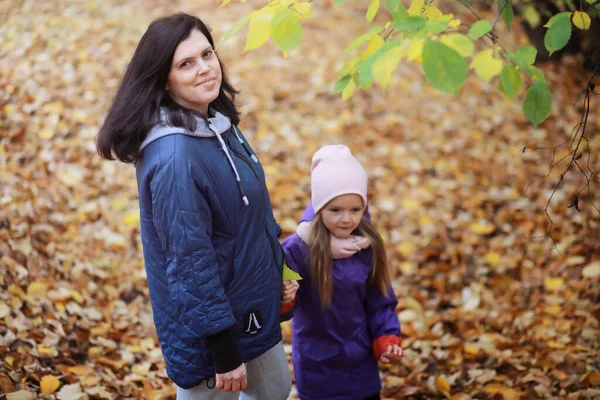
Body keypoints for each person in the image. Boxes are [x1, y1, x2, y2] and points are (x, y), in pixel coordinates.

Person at [96, 12, 297, 399]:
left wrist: (282, 273)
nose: (205, 68)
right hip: (214, 333)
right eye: (186, 63)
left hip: (247, 306)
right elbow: (190, 261)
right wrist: (223, 351)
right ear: (163, 78)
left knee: (275, 389)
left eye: (207, 54)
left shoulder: (217, 126)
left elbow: (248, 220)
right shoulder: (175, 155)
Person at [281, 145, 404, 400]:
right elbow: (277, 300)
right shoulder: (297, 250)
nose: (346, 219)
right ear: (318, 208)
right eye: (335, 210)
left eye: (355, 210)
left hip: (361, 367)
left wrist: (386, 337)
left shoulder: (367, 246)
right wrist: (284, 296)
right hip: (319, 369)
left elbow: (380, 300)